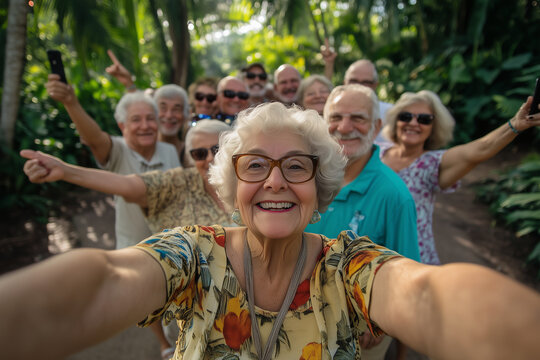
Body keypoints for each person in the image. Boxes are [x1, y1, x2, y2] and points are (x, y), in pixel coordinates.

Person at [3, 102, 540, 360]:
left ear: (320, 185)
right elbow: (104, 278)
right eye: (254, 165)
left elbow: (425, 294)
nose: (275, 181)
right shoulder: (192, 253)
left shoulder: (347, 265)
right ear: (230, 184)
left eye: (296, 167)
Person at [22, 119, 232, 359]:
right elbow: (126, 185)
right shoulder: (177, 183)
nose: (209, 158)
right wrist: (65, 171)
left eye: (217, 149)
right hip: (194, 312)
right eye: (198, 153)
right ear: (190, 157)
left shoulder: (248, 183)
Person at [304, 84, 419, 359]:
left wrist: (380, 320)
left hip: (356, 332)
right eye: (336, 117)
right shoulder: (306, 176)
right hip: (301, 319)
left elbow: (409, 274)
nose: (344, 127)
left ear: (376, 126)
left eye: (358, 118)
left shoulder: (394, 195)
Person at [380, 90, 540, 265]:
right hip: (367, 254)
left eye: (424, 119)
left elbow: (480, 149)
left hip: (412, 261)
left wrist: (515, 124)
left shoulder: (431, 164)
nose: (413, 123)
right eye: (406, 116)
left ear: (434, 127)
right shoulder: (376, 154)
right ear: (395, 119)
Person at [45, 77, 180, 248]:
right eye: (136, 120)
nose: (145, 126)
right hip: (133, 251)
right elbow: (95, 139)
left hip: (174, 249)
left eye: (150, 118)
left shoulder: (169, 150)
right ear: (122, 126)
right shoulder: (118, 149)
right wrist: (71, 103)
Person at [344, 60, 392, 145]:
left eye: (366, 82)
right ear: (345, 82)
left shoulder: (390, 112)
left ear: (375, 85)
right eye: (353, 81)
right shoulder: (332, 110)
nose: (358, 86)